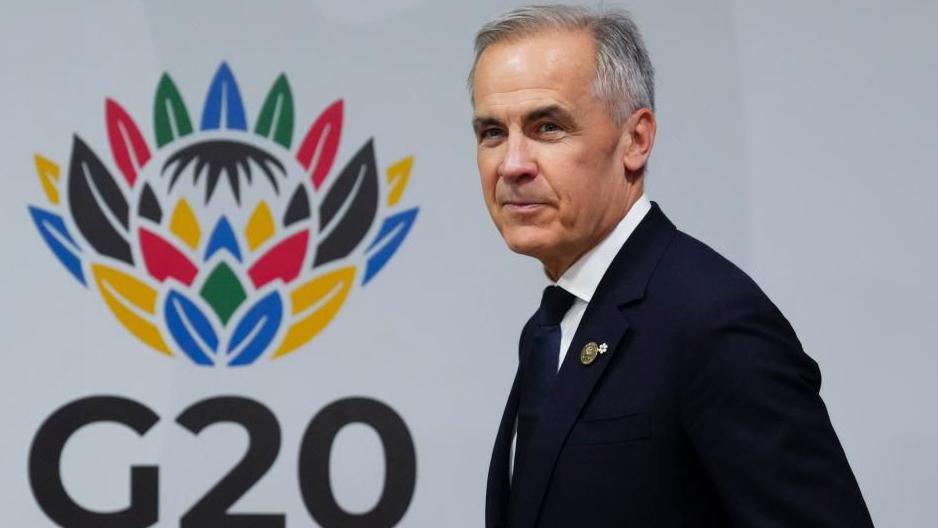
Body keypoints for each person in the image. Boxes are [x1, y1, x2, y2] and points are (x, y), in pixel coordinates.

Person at [468, 5, 874, 527]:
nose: (512, 164)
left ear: (635, 140)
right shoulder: (551, 327)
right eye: (492, 132)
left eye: (548, 127)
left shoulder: (712, 321)